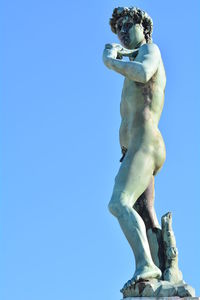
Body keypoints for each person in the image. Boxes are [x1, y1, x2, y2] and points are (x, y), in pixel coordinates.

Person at [103, 7, 166, 287]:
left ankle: (146, 265)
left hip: (145, 143)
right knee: (144, 210)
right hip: (135, 149)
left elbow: (143, 72)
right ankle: (166, 270)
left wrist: (112, 62)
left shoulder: (150, 50)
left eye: (128, 25)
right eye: (119, 29)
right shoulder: (134, 55)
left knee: (119, 202)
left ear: (144, 28)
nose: (123, 32)